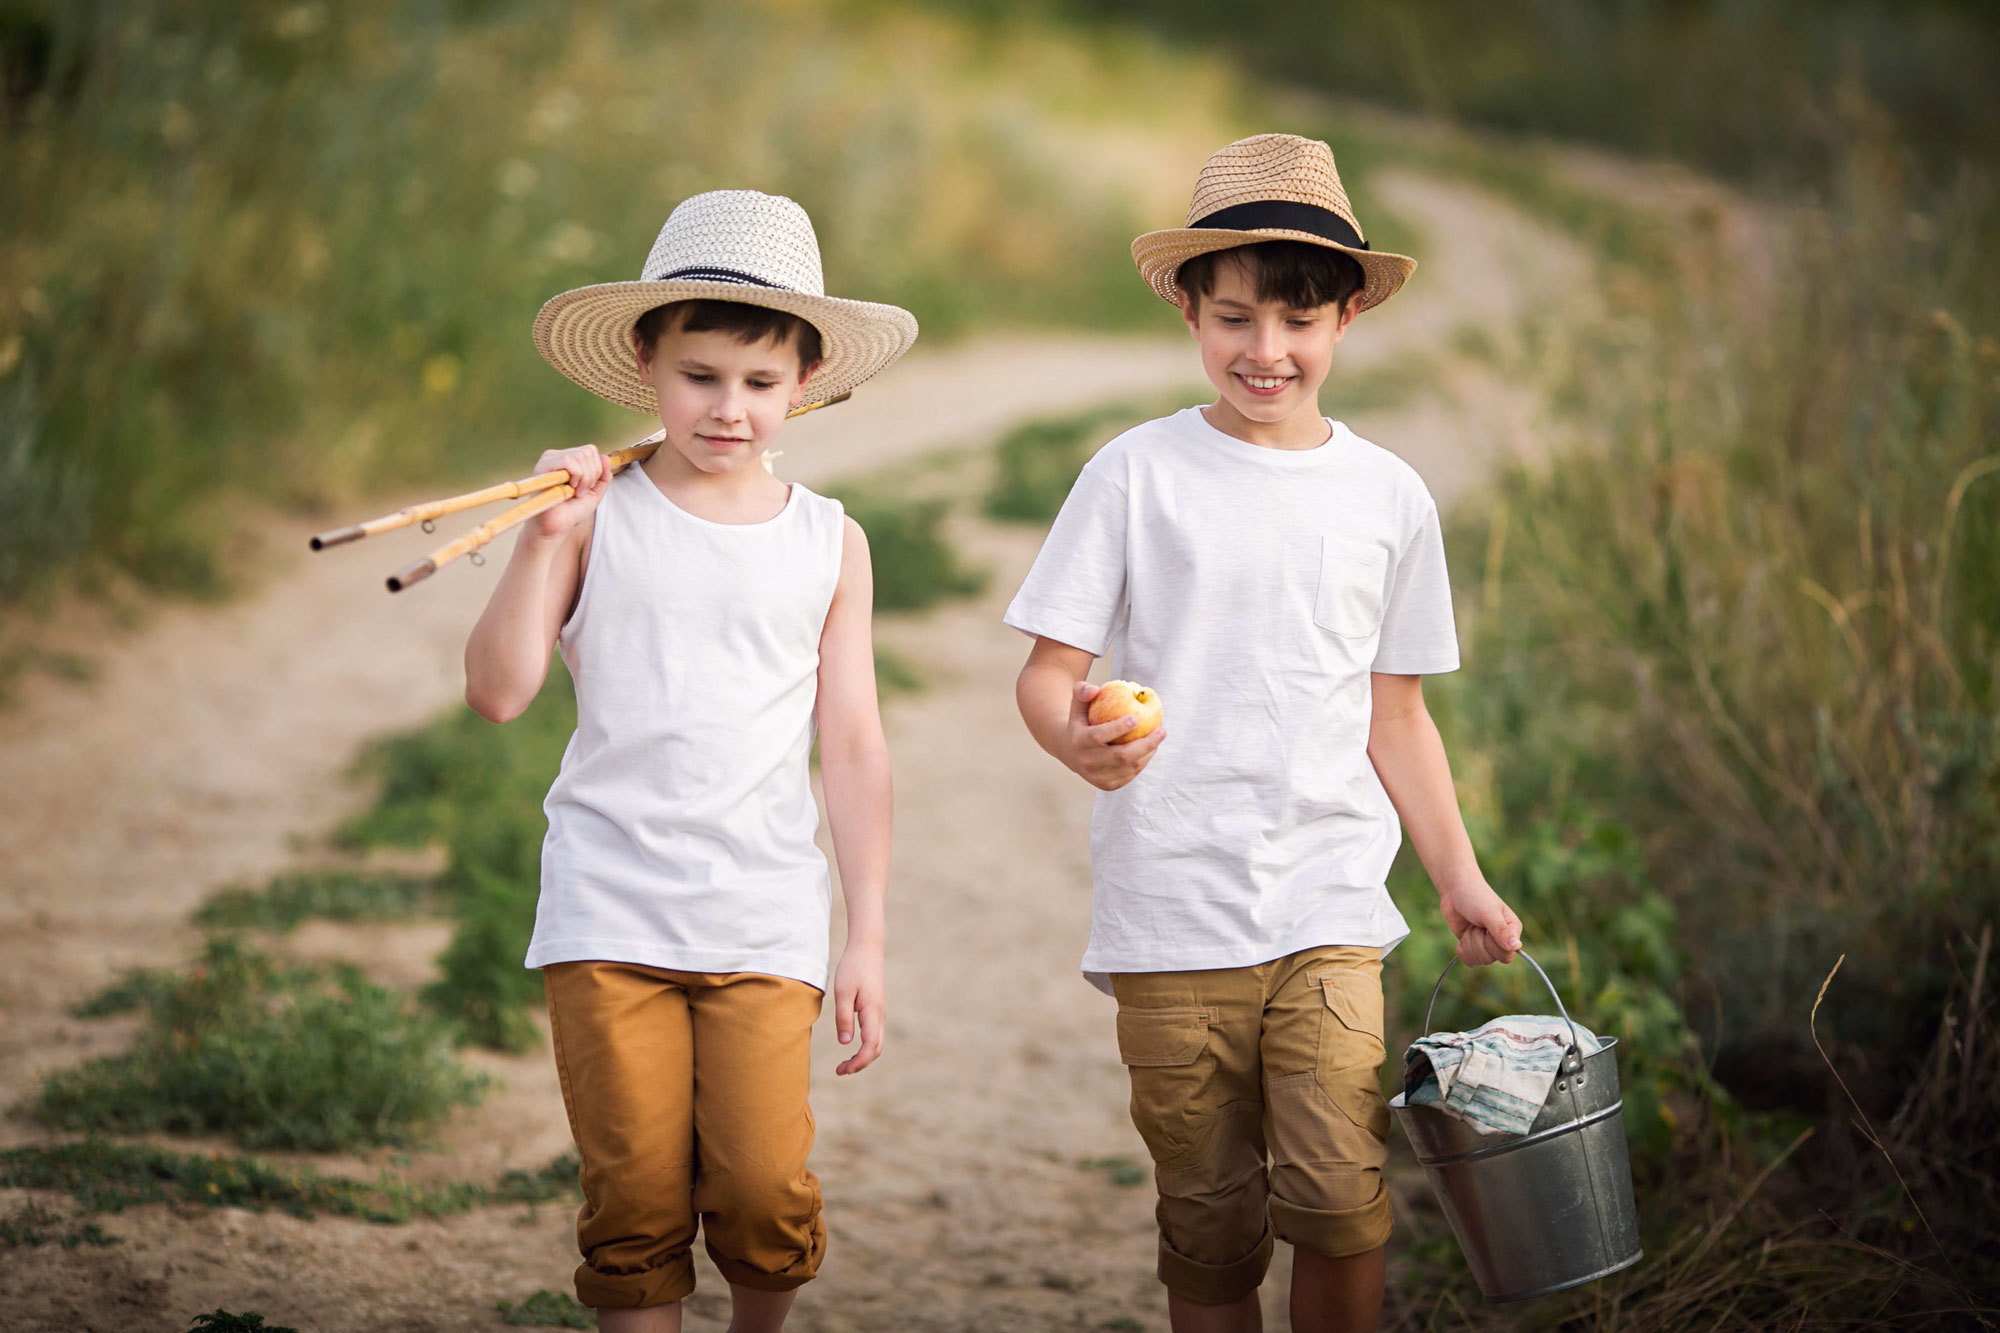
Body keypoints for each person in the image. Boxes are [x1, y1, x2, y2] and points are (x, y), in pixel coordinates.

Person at [1005, 134, 1524, 1332]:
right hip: (1170, 911)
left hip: (1327, 907)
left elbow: (1396, 714)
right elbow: (1047, 675)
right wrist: (1072, 739)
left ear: (1346, 315)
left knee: (1343, 1203)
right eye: (1233, 316)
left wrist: (1457, 876)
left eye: (1296, 320)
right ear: (1188, 308)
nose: (1264, 351)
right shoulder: (1135, 474)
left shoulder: (1388, 495)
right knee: (1209, 1222)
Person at [462, 189, 917, 1333]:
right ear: (644, 363)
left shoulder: (829, 541)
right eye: (700, 376)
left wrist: (862, 932)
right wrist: (541, 541)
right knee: (635, 1208)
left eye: (759, 385)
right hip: (607, 908)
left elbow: (853, 746)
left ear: (802, 384)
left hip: (761, 913)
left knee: (764, 1194)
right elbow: (499, 689)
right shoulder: (595, 517)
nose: (728, 408)